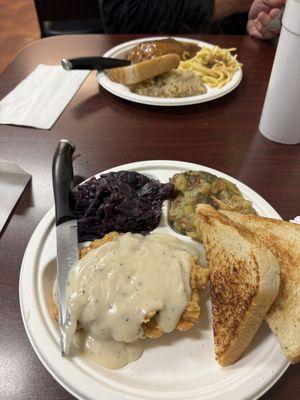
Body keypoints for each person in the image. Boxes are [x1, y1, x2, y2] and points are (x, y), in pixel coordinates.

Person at [98, 0, 285, 39]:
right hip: (140, 64)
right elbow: (122, 17)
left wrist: (256, 22)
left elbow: (254, 13)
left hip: (231, 70)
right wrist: (223, 5)